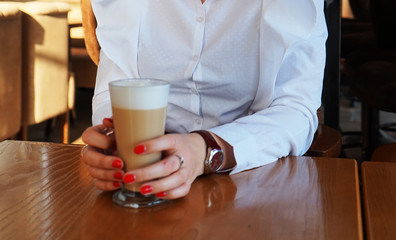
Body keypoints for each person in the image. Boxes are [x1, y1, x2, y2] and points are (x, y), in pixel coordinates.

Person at [81, 0, 328, 200]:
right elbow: (114, 86)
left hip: (251, 181)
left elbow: (296, 109)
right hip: (145, 174)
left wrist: (205, 149)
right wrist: (113, 138)